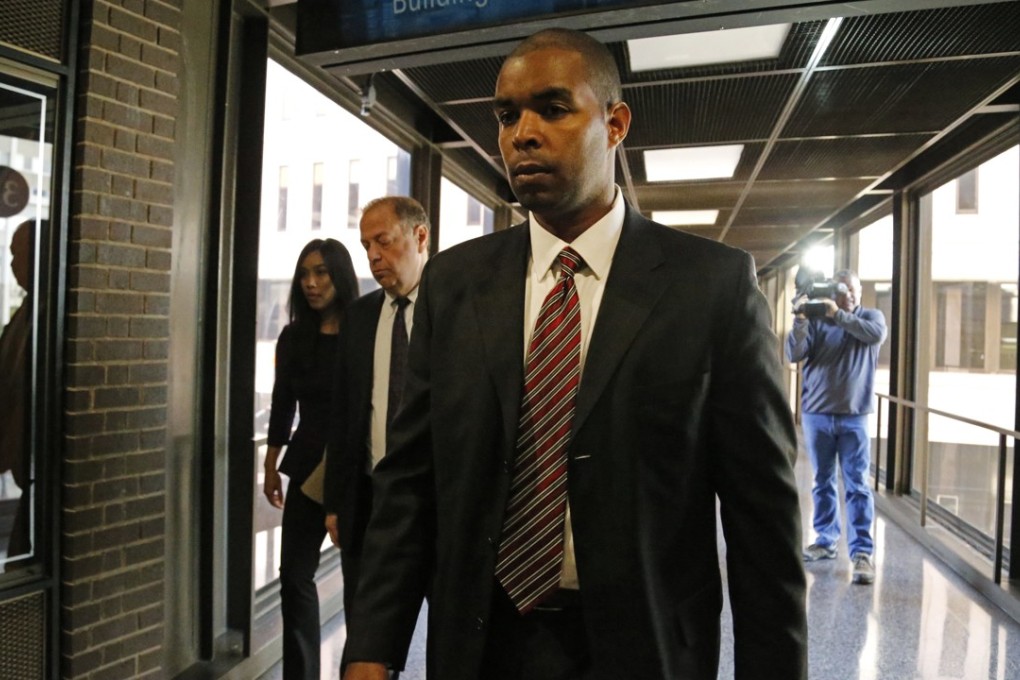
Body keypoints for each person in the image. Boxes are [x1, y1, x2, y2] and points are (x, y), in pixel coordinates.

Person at [341, 28, 807, 680]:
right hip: (481, 642)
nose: (521, 134)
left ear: (615, 123)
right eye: (507, 115)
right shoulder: (455, 284)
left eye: (553, 109)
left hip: (642, 646)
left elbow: (764, 526)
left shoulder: (711, 288)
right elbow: (411, 482)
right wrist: (372, 645)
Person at [321, 196, 429, 676]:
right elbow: (344, 415)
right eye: (366, 246)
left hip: (440, 501)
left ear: (420, 237)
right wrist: (335, 502)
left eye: (383, 242)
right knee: (365, 639)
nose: (373, 256)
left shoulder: (456, 309)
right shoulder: (361, 317)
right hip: (368, 499)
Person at [263, 238, 359, 680]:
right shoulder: (294, 336)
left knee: (360, 583)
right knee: (294, 576)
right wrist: (270, 462)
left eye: (320, 273)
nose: (311, 283)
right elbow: (283, 403)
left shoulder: (364, 331)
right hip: (306, 469)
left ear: (338, 274)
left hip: (356, 468)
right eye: (304, 275)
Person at [785, 269, 887, 585]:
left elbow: (874, 335)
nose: (850, 295)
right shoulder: (817, 319)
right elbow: (794, 353)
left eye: (854, 289)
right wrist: (800, 319)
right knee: (822, 481)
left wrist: (838, 315)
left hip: (854, 416)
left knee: (857, 484)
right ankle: (826, 540)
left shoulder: (871, 317)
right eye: (843, 290)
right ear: (832, 291)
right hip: (817, 413)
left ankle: (861, 553)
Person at [0, 219, 35, 570]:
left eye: (18, 254)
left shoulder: (45, 316)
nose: (11, 265)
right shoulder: (25, 314)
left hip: (39, 468)